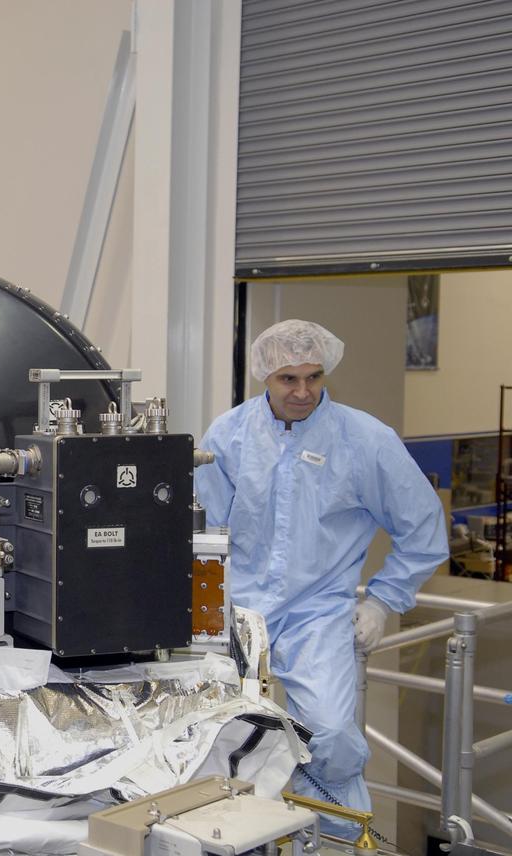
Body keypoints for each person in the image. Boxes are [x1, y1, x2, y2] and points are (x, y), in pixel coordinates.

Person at [195, 319, 447, 840]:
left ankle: (335, 839)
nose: (303, 391)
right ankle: (234, 839)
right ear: (265, 375)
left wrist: (382, 600)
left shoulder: (365, 440)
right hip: (237, 610)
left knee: (329, 734)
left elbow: (423, 528)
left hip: (319, 611)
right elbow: (200, 527)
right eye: (289, 379)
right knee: (219, 736)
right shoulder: (230, 435)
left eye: (313, 376)